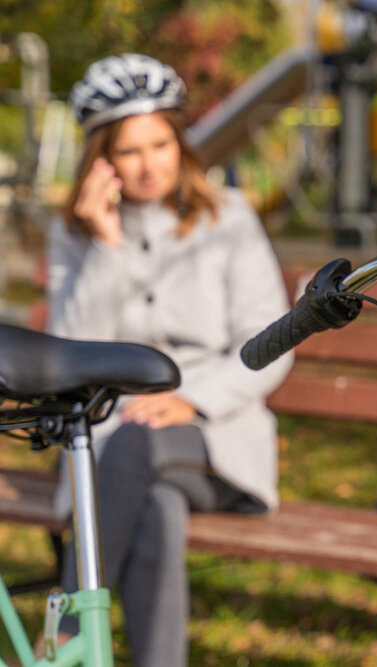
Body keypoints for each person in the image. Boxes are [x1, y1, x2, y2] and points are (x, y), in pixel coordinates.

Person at [47, 53, 293, 666]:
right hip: (114, 442)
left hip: (216, 439)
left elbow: (270, 343)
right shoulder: (75, 233)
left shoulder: (228, 219)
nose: (150, 164)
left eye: (161, 143)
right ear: (101, 157)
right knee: (154, 502)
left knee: (137, 442)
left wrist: (189, 400)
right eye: (129, 150)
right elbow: (69, 357)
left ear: (180, 142)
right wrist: (105, 248)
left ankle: (63, 649)